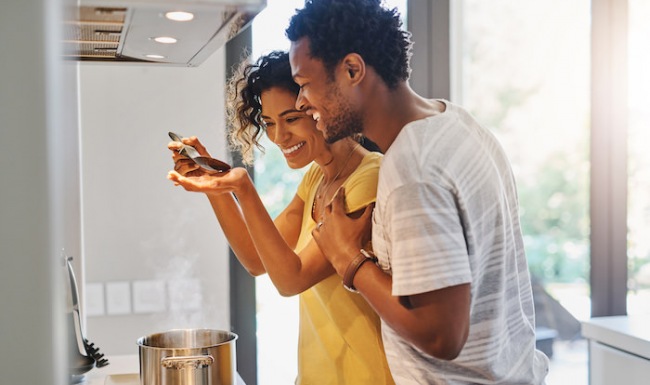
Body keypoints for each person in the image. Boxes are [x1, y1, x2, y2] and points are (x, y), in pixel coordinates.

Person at [285, 1, 550, 384]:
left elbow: (441, 335)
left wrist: (350, 260)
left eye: (306, 84)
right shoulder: (456, 122)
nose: (300, 102)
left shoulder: (412, 170)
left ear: (352, 70)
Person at [166, 51, 394, 385]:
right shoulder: (317, 178)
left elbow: (291, 279)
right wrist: (215, 187)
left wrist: (244, 189)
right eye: (269, 123)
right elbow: (258, 260)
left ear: (320, 106)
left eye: (291, 119)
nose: (278, 137)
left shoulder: (367, 179)